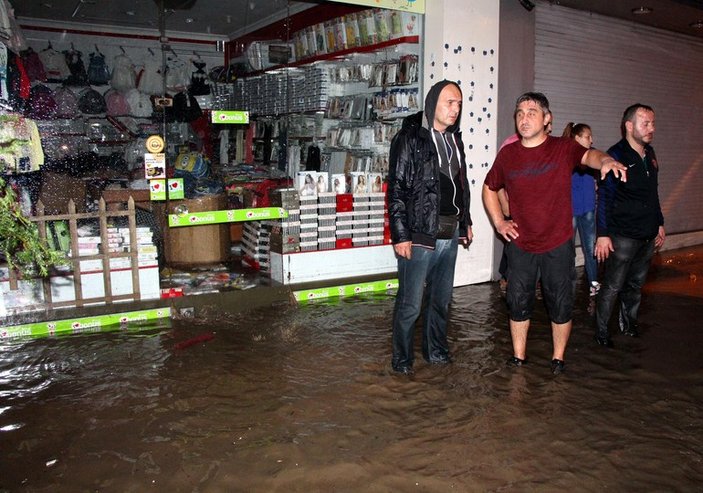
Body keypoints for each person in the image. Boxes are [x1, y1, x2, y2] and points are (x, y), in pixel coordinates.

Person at [482, 92, 627, 374]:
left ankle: (558, 359)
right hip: (521, 244)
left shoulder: (563, 147)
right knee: (517, 302)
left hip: (557, 244)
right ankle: (519, 357)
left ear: (547, 119)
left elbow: (589, 155)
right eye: (520, 112)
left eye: (532, 112)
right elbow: (489, 187)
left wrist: (606, 160)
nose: (524, 118)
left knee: (560, 304)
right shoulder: (508, 154)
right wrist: (500, 222)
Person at [388, 80, 473, 375]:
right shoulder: (410, 138)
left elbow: (460, 185)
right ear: (432, 102)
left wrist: (466, 222)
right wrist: (401, 235)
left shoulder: (454, 140)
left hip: (449, 234)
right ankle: (402, 362)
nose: (455, 109)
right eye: (450, 102)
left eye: (459, 104)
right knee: (410, 304)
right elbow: (396, 189)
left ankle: (436, 352)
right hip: (420, 235)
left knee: (440, 301)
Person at [594, 104, 665, 347]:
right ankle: (602, 332)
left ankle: (629, 324)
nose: (651, 128)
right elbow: (604, 197)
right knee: (612, 286)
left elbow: (652, 193)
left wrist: (660, 223)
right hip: (623, 236)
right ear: (629, 126)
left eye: (652, 123)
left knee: (635, 285)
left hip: (647, 233)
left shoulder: (650, 153)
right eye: (646, 123)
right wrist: (603, 235)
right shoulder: (616, 156)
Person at [563, 122, 600, 297]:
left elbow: (599, 174)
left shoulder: (592, 155)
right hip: (570, 209)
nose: (591, 140)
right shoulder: (566, 155)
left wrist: (597, 183)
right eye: (587, 136)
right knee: (568, 249)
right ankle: (567, 284)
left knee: (590, 247)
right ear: (577, 138)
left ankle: (594, 283)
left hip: (589, 208)